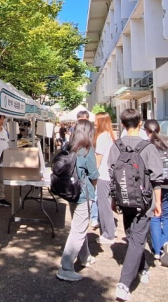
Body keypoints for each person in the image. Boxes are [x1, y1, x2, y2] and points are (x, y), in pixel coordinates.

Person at [109, 108, 163, 301]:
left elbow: (112, 175)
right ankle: (124, 284)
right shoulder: (147, 147)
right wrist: (158, 202)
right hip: (145, 200)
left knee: (133, 235)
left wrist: (114, 199)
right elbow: (157, 178)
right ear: (140, 124)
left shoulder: (116, 146)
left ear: (122, 125)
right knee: (136, 238)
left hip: (124, 199)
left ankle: (143, 268)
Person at [56, 119, 100, 282]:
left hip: (70, 192)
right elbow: (94, 175)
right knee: (78, 230)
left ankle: (85, 257)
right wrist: (93, 191)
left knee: (78, 227)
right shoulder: (88, 150)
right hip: (83, 194)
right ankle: (66, 267)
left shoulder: (68, 146)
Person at [144, 119, 168, 268]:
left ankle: (157, 250)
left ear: (146, 131)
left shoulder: (147, 146)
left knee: (154, 217)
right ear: (159, 129)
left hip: (154, 186)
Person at [94, 112, 117, 244]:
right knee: (107, 203)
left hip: (103, 174)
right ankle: (110, 230)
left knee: (104, 205)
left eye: (96, 121)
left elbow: (98, 158)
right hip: (110, 174)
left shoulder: (102, 136)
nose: (94, 123)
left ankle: (108, 234)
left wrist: (93, 173)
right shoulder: (111, 136)